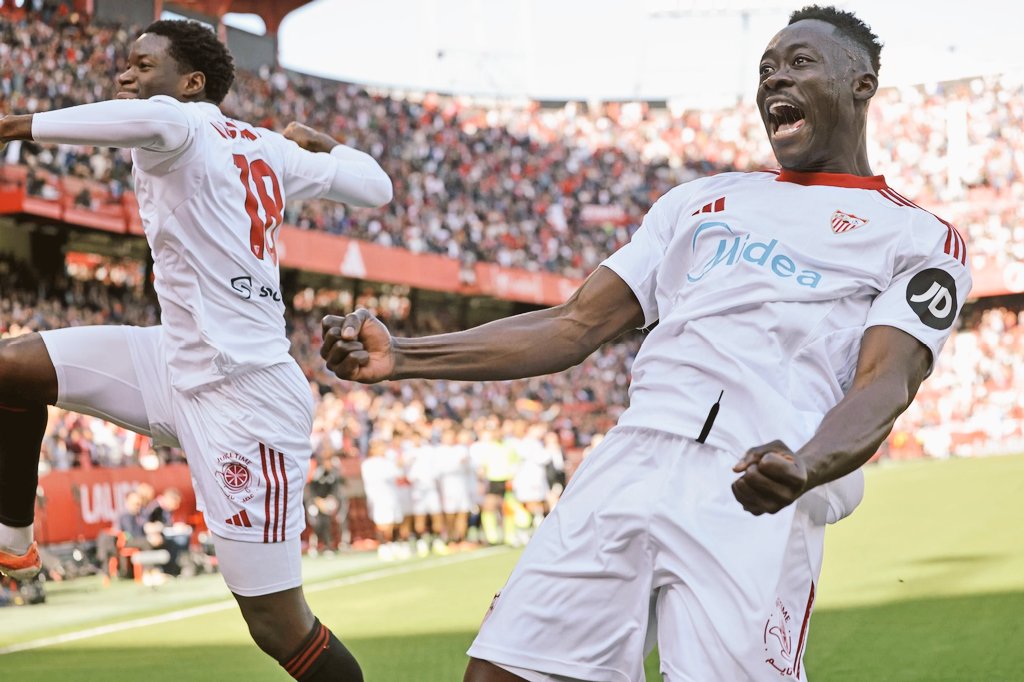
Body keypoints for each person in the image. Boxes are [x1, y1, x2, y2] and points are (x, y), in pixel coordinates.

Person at [320, 6, 972, 681]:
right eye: (765, 69)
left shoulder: (919, 238)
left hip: (753, 480)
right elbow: (575, 323)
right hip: (630, 459)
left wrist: (805, 464)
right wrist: (405, 355)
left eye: (799, 63)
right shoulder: (700, 200)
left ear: (862, 84)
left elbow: (884, 386)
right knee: (500, 674)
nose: (774, 79)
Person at [0, 19, 391, 681]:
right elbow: (375, 186)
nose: (126, 75)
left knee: (277, 626)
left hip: (245, 394)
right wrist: (331, 146)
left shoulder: (177, 121)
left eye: (142, 65)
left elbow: (146, 119)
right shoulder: (268, 147)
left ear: (192, 82)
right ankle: (13, 540)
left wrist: (14, 125)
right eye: (126, 63)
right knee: (12, 367)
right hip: (173, 358)